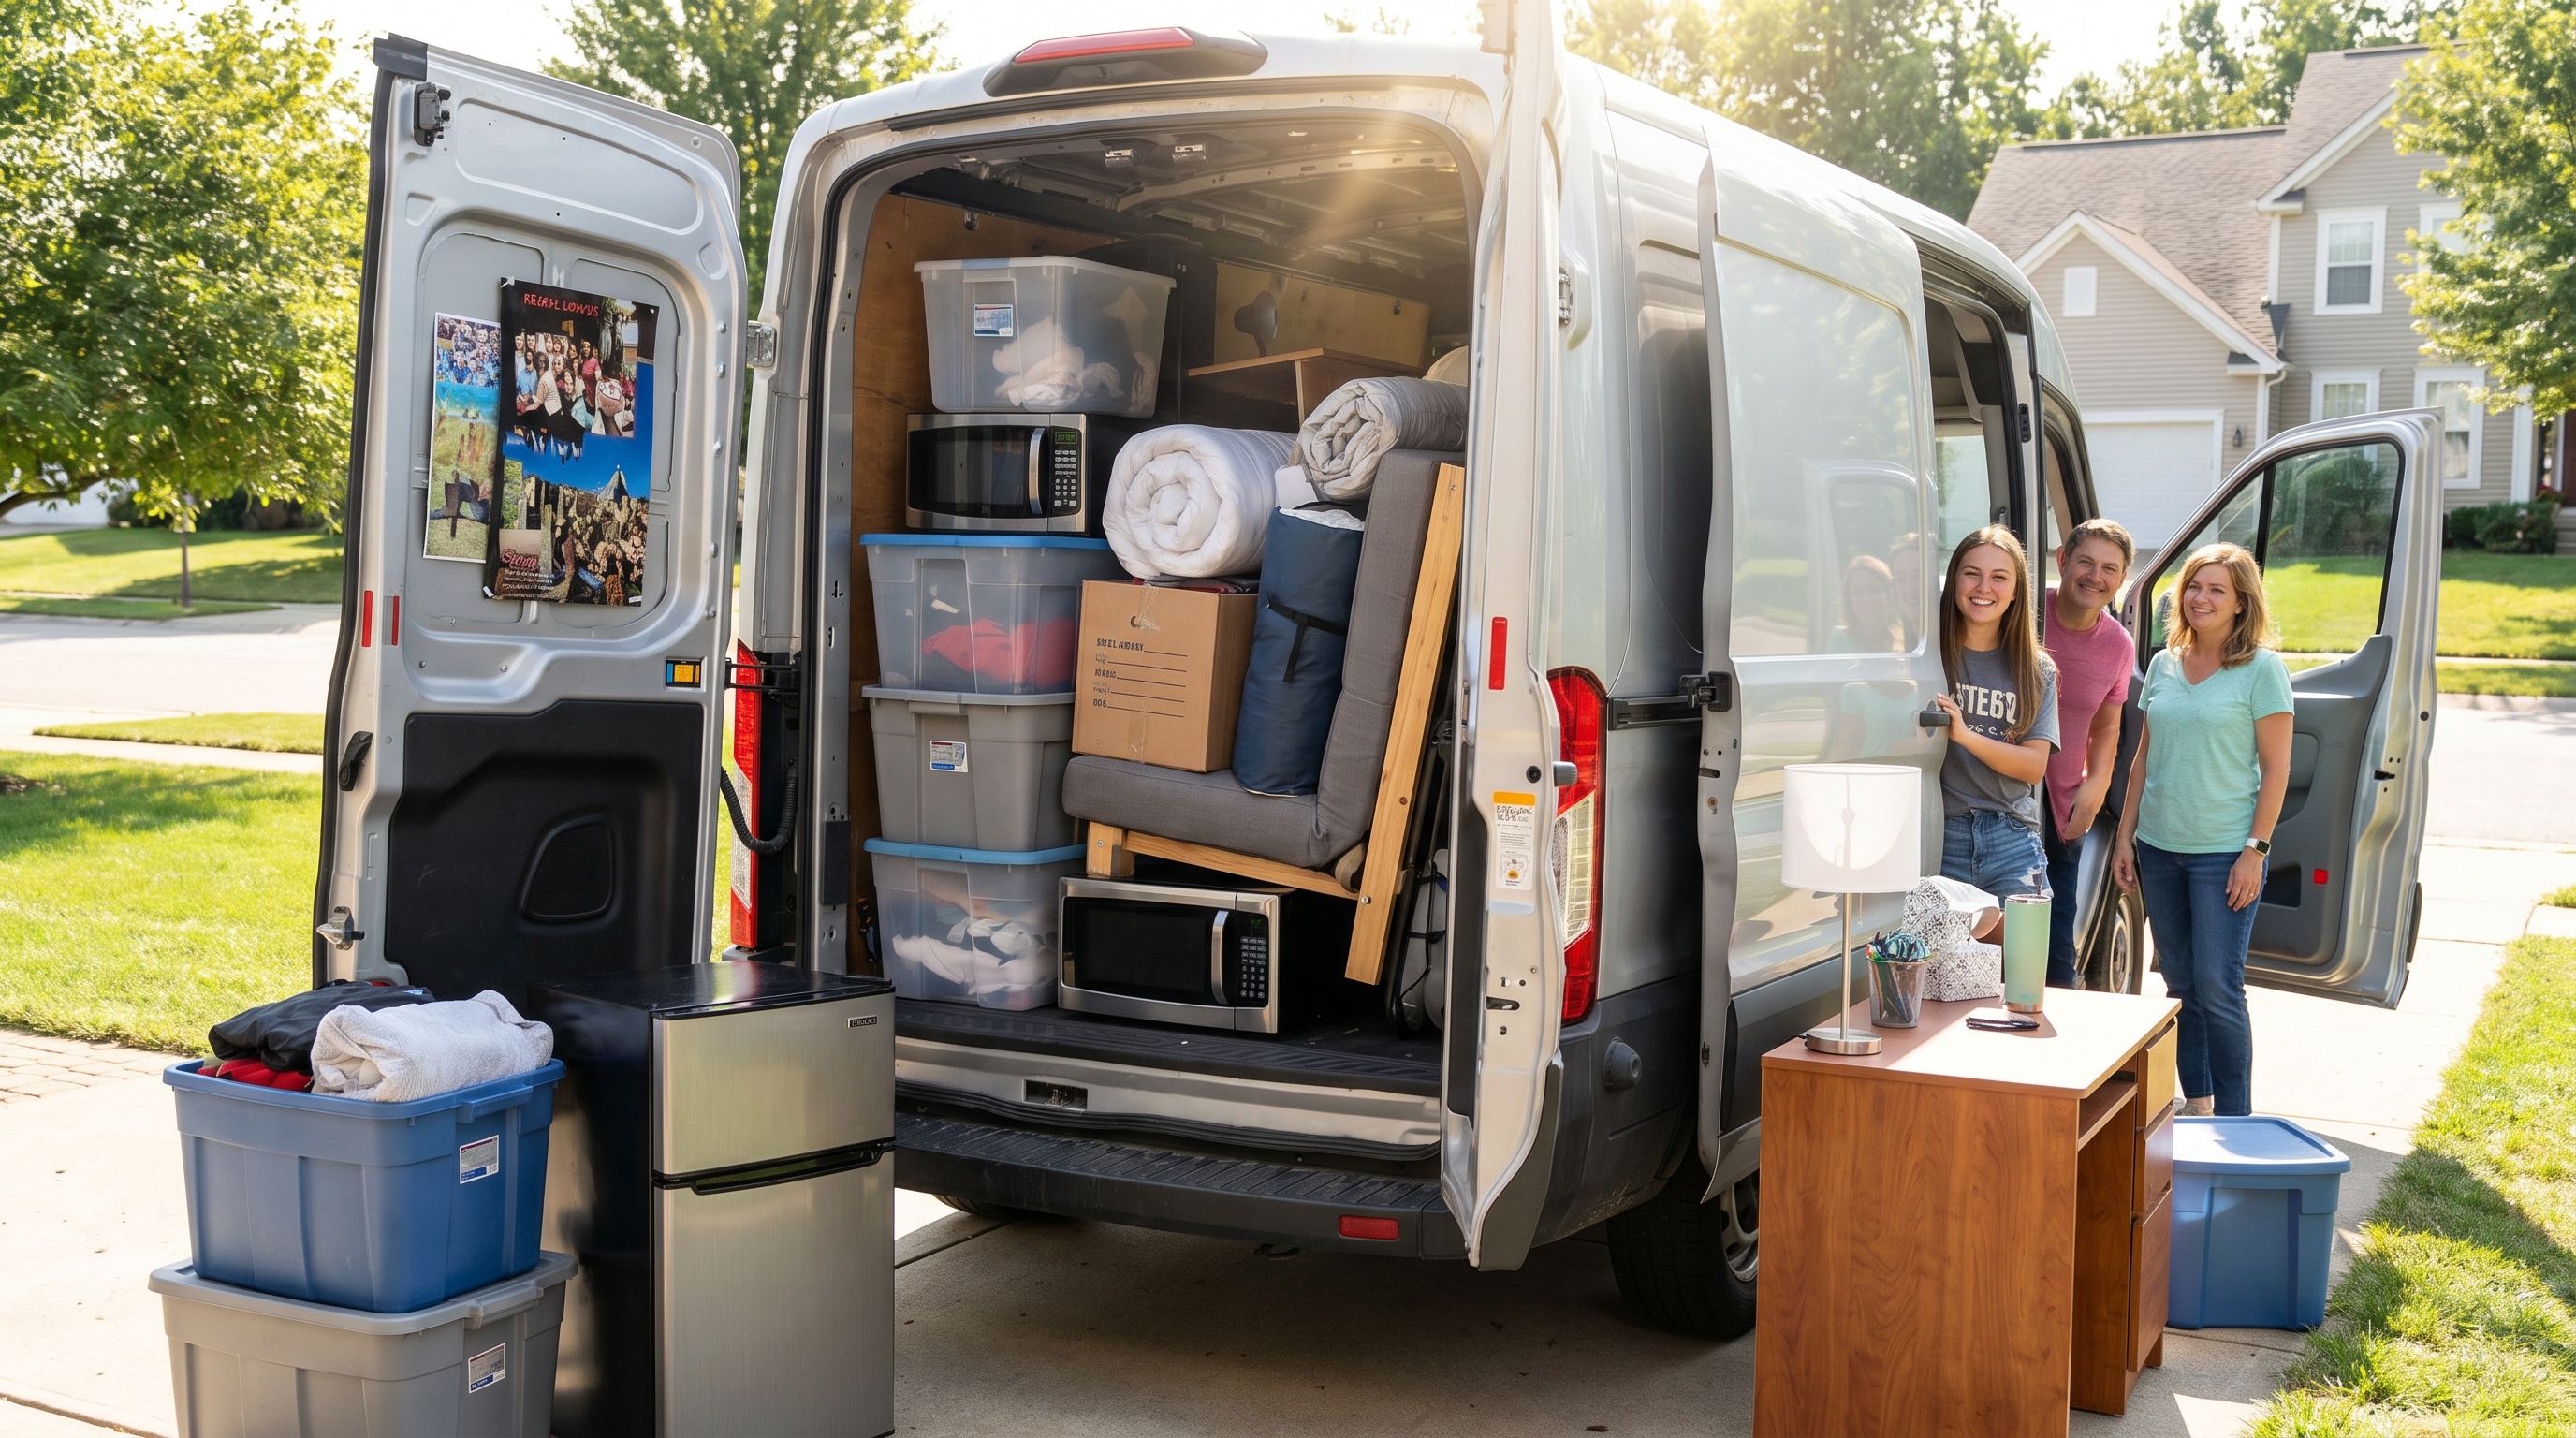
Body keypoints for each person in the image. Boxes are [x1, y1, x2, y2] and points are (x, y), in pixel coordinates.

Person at [2112, 542, 2292, 1118]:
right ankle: (2198, 1106)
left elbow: (2278, 770)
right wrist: (2125, 836)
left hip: (2224, 853)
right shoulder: (2164, 662)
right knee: (2181, 987)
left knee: (2218, 989)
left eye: (2217, 589)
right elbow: (2144, 756)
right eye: (2194, 586)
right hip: (2159, 850)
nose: (2201, 598)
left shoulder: (2262, 670)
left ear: (2241, 603)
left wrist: (2254, 851)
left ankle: (2238, 1123)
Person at [1932, 525, 2060, 904]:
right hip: (1942, 836)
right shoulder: (1928, 658)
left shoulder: (2036, 669)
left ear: (2016, 591)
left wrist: (1966, 734)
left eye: (1999, 577)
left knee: (2020, 963)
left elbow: (2034, 766)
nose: (1983, 587)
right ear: (1954, 579)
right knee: (1942, 965)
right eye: (1972, 573)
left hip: (2013, 841)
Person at [2041, 519, 2137, 987]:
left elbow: (2107, 724)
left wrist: (2095, 788)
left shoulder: (2118, 645)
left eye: (2109, 569)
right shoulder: (2025, 613)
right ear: (2062, 559)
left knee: (2056, 955)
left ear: (2121, 581)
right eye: (2085, 562)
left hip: (2062, 810)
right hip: (1996, 801)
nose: (2095, 576)